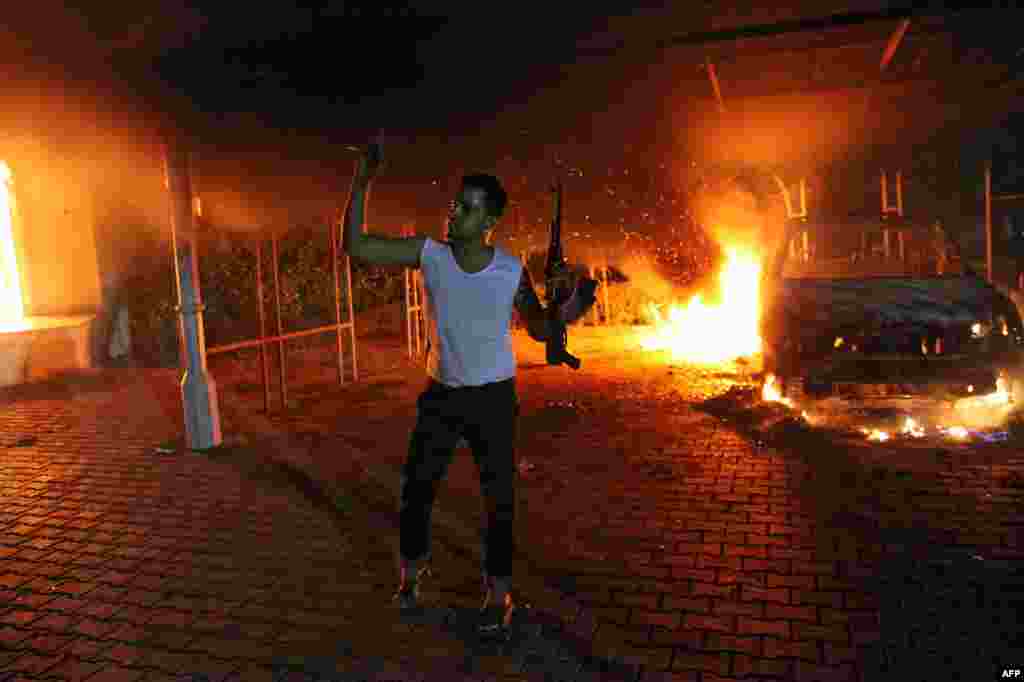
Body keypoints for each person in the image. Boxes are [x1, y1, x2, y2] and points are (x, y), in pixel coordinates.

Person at [342, 144, 596, 635]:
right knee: (416, 490)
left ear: (489, 222)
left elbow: (541, 330)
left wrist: (568, 305)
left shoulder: (510, 271)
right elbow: (356, 246)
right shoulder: (428, 254)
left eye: (467, 207)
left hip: (494, 399)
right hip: (442, 396)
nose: (453, 212)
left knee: (499, 500)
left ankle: (498, 594)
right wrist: (360, 181)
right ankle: (410, 578)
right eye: (455, 203)